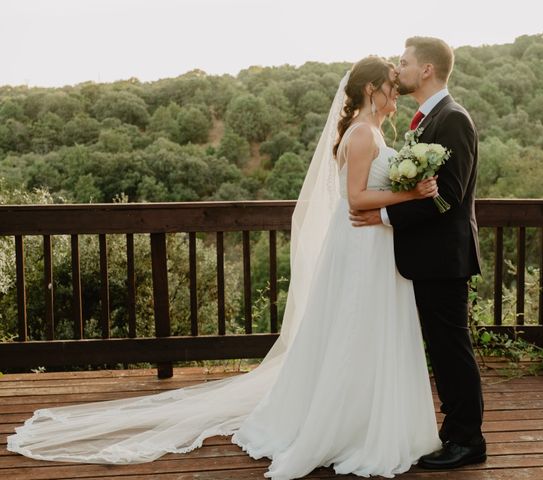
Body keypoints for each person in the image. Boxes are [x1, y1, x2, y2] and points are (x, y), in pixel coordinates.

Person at [8, 56, 442, 479]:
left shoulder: (371, 131)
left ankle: (360, 417)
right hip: (361, 245)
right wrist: (414, 194)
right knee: (353, 331)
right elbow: (356, 200)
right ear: (371, 90)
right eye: (391, 83)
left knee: (359, 332)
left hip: (368, 246)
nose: (397, 91)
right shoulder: (364, 134)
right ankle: (346, 425)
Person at [350, 36, 486, 470]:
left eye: (405, 62)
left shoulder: (453, 120)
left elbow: (447, 196)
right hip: (426, 257)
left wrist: (385, 219)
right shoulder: (425, 121)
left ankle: (468, 440)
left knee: (451, 349)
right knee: (442, 349)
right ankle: (454, 431)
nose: (400, 69)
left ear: (426, 70)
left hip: (444, 258)